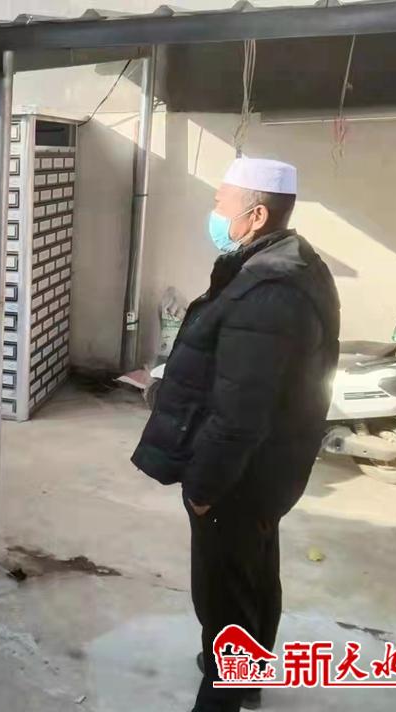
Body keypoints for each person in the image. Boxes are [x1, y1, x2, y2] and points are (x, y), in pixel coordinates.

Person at [131, 158, 340, 712]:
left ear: (257, 215)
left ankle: (223, 695)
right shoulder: (285, 264)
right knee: (253, 574)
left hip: (240, 477)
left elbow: (240, 412)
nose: (215, 211)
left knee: (224, 593)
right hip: (266, 471)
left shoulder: (269, 291)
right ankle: (246, 678)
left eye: (221, 201)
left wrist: (204, 487)